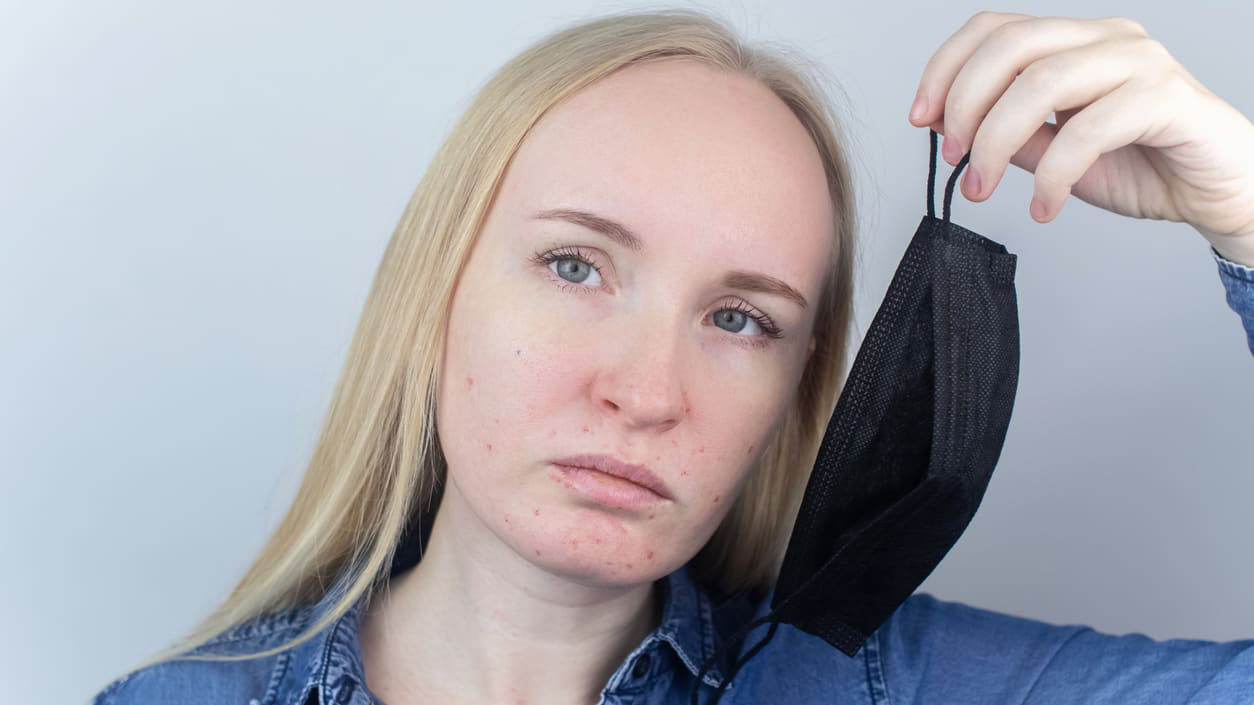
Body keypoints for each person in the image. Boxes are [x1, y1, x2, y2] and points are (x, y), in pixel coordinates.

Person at [89, 8, 1254, 705]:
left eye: (741, 320)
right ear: (434, 294)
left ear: (795, 392)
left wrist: (1249, 217)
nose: (646, 394)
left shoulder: (889, 684)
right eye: (576, 266)